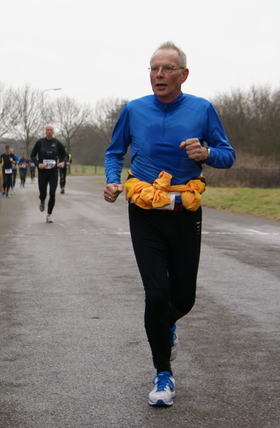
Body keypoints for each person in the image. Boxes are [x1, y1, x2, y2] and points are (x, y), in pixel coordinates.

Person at [103, 41, 235, 407]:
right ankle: (163, 374)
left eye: (166, 69)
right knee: (156, 295)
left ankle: (166, 326)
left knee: (184, 298)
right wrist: (113, 179)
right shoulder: (134, 109)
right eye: (153, 68)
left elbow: (228, 155)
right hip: (144, 211)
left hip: (184, 211)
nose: (158, 75)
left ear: (183, 74)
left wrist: (206, 153)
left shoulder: (202, 109)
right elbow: (114, 152)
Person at [30, 124, 67, 223]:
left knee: (52, 193)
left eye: (51, 130)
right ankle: (42, 201)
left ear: (53, 131)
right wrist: (38, 164)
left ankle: (49, 215)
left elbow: (64, 155)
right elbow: (32, 155)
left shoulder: (57, 143)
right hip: (42, 172)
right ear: (45, 131)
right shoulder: (40, 142)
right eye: (48, 130)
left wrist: (62, 162)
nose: (49, 131)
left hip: (53, 172)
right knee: (43, 194)